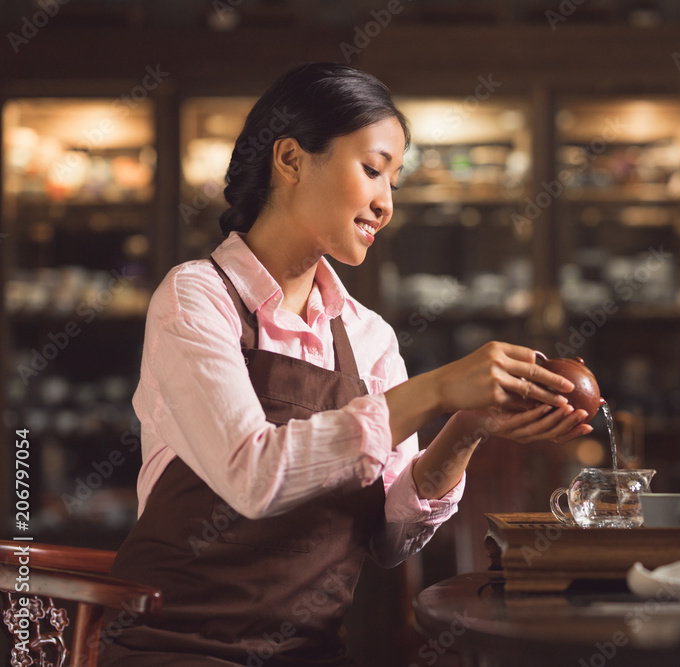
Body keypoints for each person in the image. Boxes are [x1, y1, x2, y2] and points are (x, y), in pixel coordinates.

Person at [101, 63, 592, 666]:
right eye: (372, 169)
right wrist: (435, 389)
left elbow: (389, 537)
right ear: (290, 159)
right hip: (174, 647)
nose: (386, 205)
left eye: (395, 181)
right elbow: (252, 474)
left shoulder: (368, 336)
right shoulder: (195, 298)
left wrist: (465, 427)